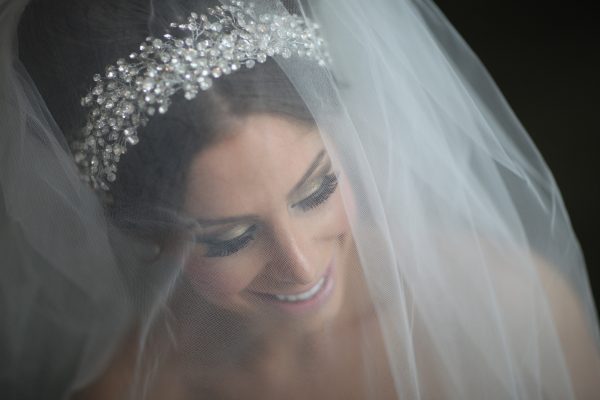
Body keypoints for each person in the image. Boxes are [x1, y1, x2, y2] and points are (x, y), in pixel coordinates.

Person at [1, 0, 599, 399]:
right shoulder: (135, 388)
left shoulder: (515, 312)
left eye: (318, 190)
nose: (303, 265)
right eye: (229, 236)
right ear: (141, 231)